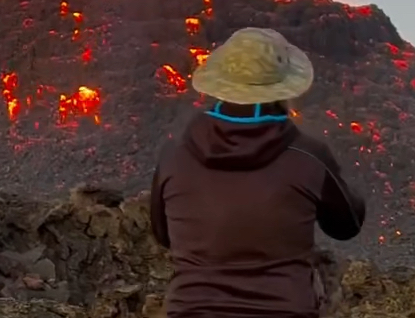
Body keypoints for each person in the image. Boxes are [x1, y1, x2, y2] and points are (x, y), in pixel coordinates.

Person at [150, 27, 366, 318]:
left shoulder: (174, 157)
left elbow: (164, 236)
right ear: (283, 89)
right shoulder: (308, 156)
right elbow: (347, 225)